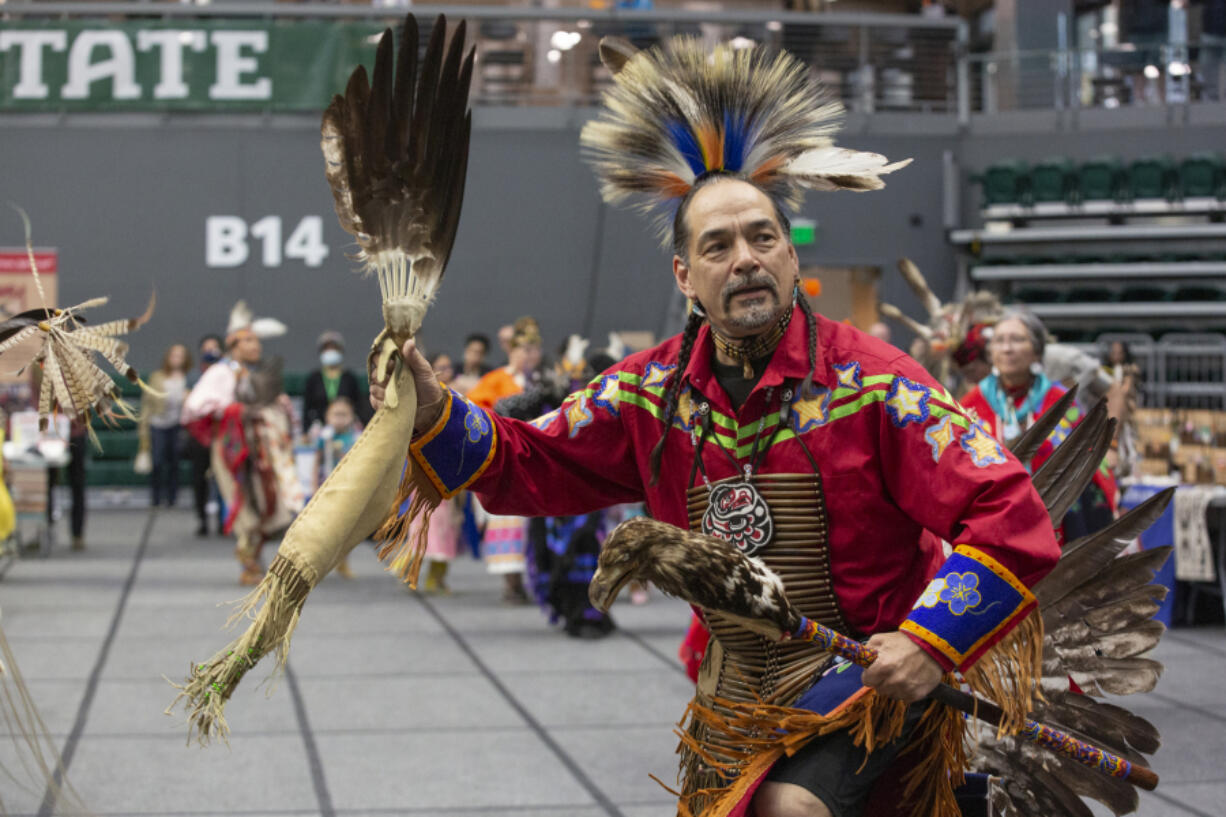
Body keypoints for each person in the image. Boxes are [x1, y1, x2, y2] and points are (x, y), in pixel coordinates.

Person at [961, 309, 1118, 542]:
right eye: (999, 341)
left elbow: (1090, 461)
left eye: (1017, 340)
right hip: (990, 528)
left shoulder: (1062, 402)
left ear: (1036, 352)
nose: (1007, 348)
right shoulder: (971, 405)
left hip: (1057, 525)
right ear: (990, 352)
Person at [182, 302, 301, 585]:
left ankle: (256, 562)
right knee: (243, 502)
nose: (256, 345)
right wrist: (233, 410)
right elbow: (194, 406)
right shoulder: (222, 372)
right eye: (249, 340)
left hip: (259, 448)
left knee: (264, 499)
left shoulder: (249, 373)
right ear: (234, 344)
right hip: (231, 447)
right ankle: (250, 566)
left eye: (257, 340)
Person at [138, 343, 192, 508]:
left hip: (178, 424)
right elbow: (147, 403)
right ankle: (155, 497)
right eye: (174, 355)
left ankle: (172, 498)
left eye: (180, 356)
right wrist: (143, 427)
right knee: (158, 461)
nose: (176, 359)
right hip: (158, 424)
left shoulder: (189, 378)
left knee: (174, 462)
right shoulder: (157, 377)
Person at [313, 396, 361, 579]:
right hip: (327, 487)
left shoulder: (357, 436)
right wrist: (313, 485)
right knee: (324, 528)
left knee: (346, 529)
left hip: (348, 488)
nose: (340, 418)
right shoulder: (324, 437)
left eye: (344, 414)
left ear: (352, 416)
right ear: (327, 416)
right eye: (336, 414)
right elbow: (316, 462)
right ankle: (319, 563)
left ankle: (343, 562)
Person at [185, 334, 224, 536]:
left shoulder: (228, 374)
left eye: (215, 348)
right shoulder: (194, 376)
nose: (211, 352)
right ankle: (202, 520)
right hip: (199, 436)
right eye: (207, 348)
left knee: (222, 478)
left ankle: (223, 520)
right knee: (199, 479)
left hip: (221, 434)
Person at [302, 330, 372, 437]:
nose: (330, 352)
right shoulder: (314, 378)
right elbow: (307, 407)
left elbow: (359, 405)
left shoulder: (349, 378)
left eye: (334, 348)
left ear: (340, 351)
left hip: (347, 427)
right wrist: (306, 431)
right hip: (320, 427)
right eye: (327, 349)